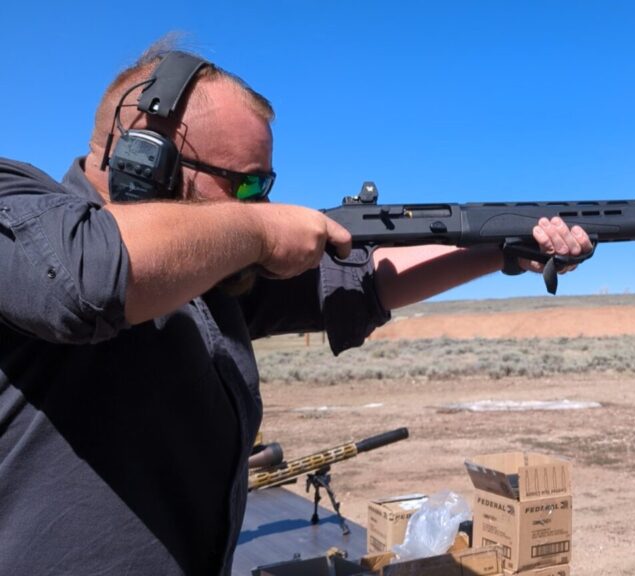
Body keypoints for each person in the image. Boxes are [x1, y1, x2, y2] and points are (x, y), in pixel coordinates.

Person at [0, 42, 593, 575]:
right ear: (146, 163)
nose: (261, 203)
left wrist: (502, 249)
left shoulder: (205, 283)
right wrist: (260, 230)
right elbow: (84, 279)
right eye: (247, 185)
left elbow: (365, 280)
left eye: (266, 188)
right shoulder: (20, 209)